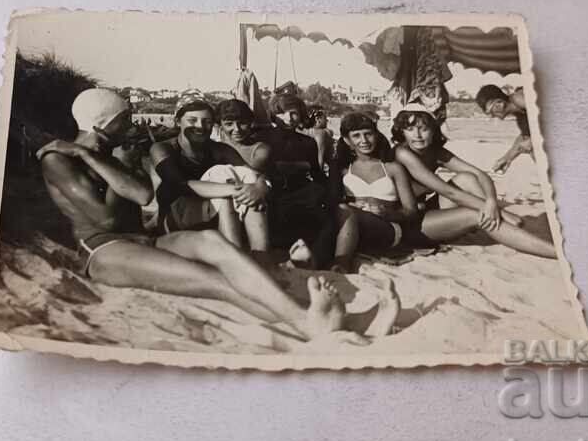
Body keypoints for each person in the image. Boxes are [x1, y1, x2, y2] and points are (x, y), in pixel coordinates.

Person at [36, 88, 383, 342]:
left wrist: (99, 157)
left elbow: (141, 195)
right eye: (124, 119)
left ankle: (345, 324)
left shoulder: (108, 154)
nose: (132, 124)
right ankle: (306, 322)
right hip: (104, 250)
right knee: (216, 281)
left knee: (212, 243)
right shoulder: (58, 160)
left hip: (144, 240)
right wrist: (99, 160)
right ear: (104, 122)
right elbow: (107, 220)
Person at [391, 105, 557, 259]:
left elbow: (479, 174)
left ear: (433, 130)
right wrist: (500, 212)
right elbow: (448, 192)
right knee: (479, 215)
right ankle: (556, 253)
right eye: (410, 129)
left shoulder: (435, 151)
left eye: (423, 129)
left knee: (467, 178)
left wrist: (492, 202)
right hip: (409, 225)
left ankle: (497, 219)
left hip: (426, 212)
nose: (417, 135)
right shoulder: (402, 154)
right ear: (402, 132)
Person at [150, 96, 270, 251]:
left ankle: (261, 255)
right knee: (223, 183)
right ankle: (234, 258)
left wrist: (259, 188)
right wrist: (237, 191)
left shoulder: (220, 149)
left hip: (208, 216)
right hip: (173, 219)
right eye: (192, 120)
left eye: (207, 122)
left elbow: (255, 175)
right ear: (178, 122)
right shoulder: (163, 148)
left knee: (250, 184)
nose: (200, 126)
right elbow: (178, 184)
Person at [328, 113, 420, 273]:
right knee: (342, 212)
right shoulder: (342, 169)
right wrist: (351, 207)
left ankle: (341, 264)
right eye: (356, 136)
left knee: (346, 212)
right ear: (347, 141)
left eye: (368, 134)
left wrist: (387, 213)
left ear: (376, 135)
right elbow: (332, 202)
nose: (364, 140)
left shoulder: (392, 168)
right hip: (353, 227)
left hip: (386, 229)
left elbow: (411, 211)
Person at [257, 93, 338, 269]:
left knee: (330, 218)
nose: (289, 118)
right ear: (273, 115)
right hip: (273, 193)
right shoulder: (263, 138)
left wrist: (334, 190)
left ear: (301, 115)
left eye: (294, 113)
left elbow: (317, 174)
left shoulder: (307, 142)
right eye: (282, 113)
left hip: (301, 192)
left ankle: (316, 259)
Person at [475, 84, 532, 173]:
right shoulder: (520, 115)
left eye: (490, 111)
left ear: (500, 103)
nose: (492, 115)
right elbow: (524, 137)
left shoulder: (518, 98)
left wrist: (532, 141)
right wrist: (506, 158)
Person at [305, 106, 334, 171]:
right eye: (325, 118)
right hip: (322, 170)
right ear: (317, 119)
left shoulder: (305, 131)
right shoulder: (321, 133)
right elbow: (320, 158)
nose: (327, 120)